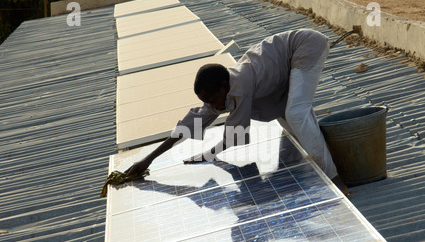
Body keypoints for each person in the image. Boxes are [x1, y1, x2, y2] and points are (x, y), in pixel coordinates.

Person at [125, 28, 348, 195]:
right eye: (207, 103)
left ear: (224, 86)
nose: (213, 107)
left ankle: (336, 179)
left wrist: (210, 153)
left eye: (213, 100)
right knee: (300, 130)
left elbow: (235, 136)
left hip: (304, 47)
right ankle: (343, 167)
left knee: (297, 114)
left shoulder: (239, 85)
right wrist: (148, 160)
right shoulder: (221, 92)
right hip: (281, 80)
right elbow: (186, 127)